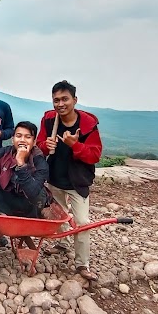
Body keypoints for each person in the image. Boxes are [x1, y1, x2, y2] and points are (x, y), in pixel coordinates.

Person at [35, 80, 102, 281]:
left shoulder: (88, 125)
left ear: (75, 100)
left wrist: (75, 145)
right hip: (54, 177)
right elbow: (39, 145)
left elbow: (95, 155)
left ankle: (82, 263)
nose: (60, 104)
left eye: (65, 99)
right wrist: (46, 146)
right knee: (60, 215)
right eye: (56, 100)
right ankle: (63, 244)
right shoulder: (49, 120)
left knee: (82, 222)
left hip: (77, 181)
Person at [0, 121, 51, 218]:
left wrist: (21, 164)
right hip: (9, 197)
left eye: (27, 137)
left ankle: (30, 219)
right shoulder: (4, 153)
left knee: (39, 193)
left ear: (34, 142)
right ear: (13, 139)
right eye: (18, 136)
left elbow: (32, 192)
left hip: (29, 203)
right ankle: (7, 214)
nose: (22, 140)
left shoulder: (39, 161)